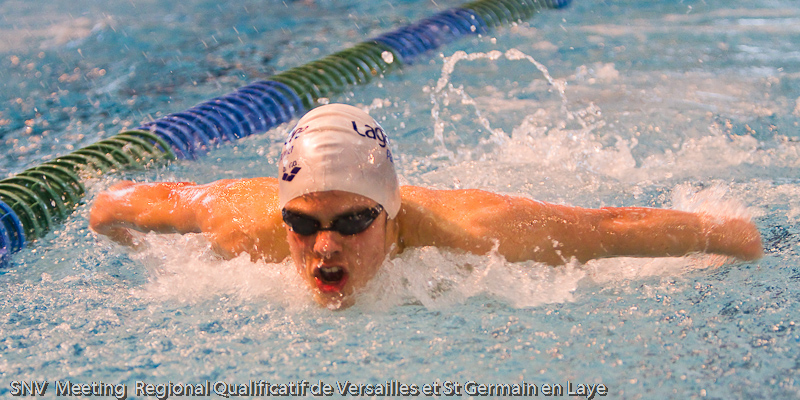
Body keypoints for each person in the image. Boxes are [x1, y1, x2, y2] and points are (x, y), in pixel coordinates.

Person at [90, 104, 763, 307]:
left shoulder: (476, 232)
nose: (325, 248)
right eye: (303, 223)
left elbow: (605, 229)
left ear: (390, 212)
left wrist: (739, 237)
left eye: (353, 221)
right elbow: (115, 208)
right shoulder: (243, 224)